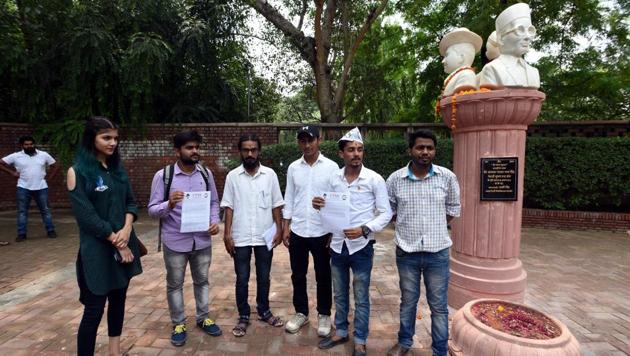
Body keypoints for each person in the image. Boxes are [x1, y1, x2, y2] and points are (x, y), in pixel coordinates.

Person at [313, 127, 393, 356]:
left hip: (362, 246)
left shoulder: (374, 179)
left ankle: (360, 339)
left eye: (359, 150)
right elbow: (326, 210)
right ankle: (340, 331)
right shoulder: (333, 179)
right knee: (339, 292)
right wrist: (318, 206)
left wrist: (365, 229)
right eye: (351, 150)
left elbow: (385, 213)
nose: (356, 154)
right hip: (338, 245)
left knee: (361, 294)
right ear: (342, 154)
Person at [66, 117, 143, 356]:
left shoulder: (118, 170)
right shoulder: (77, 172)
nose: (112, 143)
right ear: (92, 138)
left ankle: (114, 351)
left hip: (125, 246)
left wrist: (127, 229)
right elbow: (87, 218)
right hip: (97, 252)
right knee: (94, 309)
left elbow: (131, 203)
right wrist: (117, 240)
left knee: (119, 300)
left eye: (115, 138)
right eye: (106, 137)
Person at [385, 130, 461, 356]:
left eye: (430, 147)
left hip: (437, 253)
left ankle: (440, 350)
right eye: (420, 147)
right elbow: (390, 212)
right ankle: (404, 342)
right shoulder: (395, 179)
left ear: (434, 150)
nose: (425, 152)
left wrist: (435, 226)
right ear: (410, 150)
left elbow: (453, 209)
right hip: (407, 252)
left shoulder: (447, 177)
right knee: (408, 301)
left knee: (438, 306)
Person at [147, 130, 222, 347]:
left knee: (202, 281)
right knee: (175, 285)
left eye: (196, 147)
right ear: (178, 151)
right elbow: (152, 210)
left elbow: (214, 203)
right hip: (175, 241)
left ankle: (203, 318)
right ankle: (179, 323)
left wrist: (214, 222)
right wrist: (168, 204)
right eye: (189, 147)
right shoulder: (164, 176)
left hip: (202, 241)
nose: (195, 151)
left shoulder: (206, 175)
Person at [220, 133, 285, 337]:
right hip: (240, 236)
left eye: (253, 149)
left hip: (264, 235)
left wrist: (280, 229)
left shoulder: (270, 175)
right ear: (240, 151)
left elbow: (276, 204)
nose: (250, 153)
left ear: (259, 151)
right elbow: (228, 207)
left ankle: (264, 310)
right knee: (242, 278)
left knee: (264, 277)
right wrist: (227, 234)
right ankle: (243, 315)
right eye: (246, 150)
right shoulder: (232, 176)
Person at [282, 125, 339, 336]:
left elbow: (337, 200)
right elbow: (289, 196)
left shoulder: (332, 167)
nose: (306, 145)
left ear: (319, 140)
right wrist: (285, 226)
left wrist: (334, 230)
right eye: (302, 140)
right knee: (298, 274)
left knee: (323, 275)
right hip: (298, 229)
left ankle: (324, 314)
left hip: (322, 230)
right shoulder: (293, 167)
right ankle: (301, 313)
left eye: (310, 140)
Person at [1, 135, 59, 242]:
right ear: (22, 146)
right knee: (22, 212)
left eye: (31, 144)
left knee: (45, 210)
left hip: (41, 187)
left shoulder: (43, 154)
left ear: (34, 144)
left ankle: (51, 230)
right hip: (23, 187)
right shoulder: (16, 156)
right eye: (26, 145)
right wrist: (11, 172)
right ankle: (21, 234)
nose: (29, 146)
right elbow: (1, 163)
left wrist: (49, 179)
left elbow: (55, 165)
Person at [478, 3, 540, 88]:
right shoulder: (492, 69)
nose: (527, 37)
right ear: (500, 38)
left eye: (530, 30)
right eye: (520, 30)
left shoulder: (534, 72)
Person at [439, 27, 482, 97]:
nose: (443, 61)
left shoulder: (466, 75)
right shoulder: (455, 77)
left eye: (447, 55)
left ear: (461, 57)